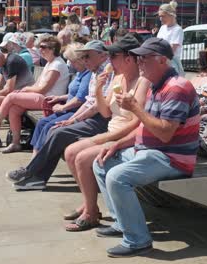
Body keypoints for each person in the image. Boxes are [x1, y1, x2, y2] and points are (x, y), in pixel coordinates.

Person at [92, 38, 200, 258]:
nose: (139, 63)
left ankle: (137, 241)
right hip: (152, 152)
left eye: (144, 58)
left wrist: (135, 108)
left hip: (172, 158)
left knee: (117, 177)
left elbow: (165, 132)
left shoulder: (177, 87)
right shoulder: (157, 85)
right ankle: (122, 224)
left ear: (162, 60)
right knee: (102, 162)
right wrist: (117, 145)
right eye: (138, 58)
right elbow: (146, 128)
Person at [63, 35, 151, 232]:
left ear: (128, 59)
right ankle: (89, 204)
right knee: (70, 152)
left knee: (82, 158)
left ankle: (91, 213)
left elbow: (137, 122)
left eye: (113, 56)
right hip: (112, 132)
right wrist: (99, 90)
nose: (109, 60)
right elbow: (105, 112)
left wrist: (106, 138)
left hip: (126, 137)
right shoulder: (118, 78)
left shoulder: (143, 82)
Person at [6, 40, 111, 190]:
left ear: (102, 56)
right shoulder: (96, 71)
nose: (84, 60)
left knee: (57, 132)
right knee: (55, 129)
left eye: (87, 56)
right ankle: (37, 178)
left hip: (101, 120)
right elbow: (89, 102)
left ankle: (31, 172)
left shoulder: (104, 73)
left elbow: (95, 106)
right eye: (83, 57)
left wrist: (73, 119)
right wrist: (72, 119)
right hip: (89, 116)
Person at [0, 36, 69, 153]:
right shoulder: (50, 64)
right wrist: (26, 90)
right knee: (14, 108)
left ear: (53, 49)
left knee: (11, 96)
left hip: (50, 100)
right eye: (40, 47)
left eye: (43, 47)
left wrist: (26, 89)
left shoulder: (57, 65)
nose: (40, 50)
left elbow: (43, 89)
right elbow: (38, 85)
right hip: (42, 97)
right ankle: (16, 143)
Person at [30, 42, 91, 154]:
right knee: (41, 123)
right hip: (69, 109)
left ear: (80, 60)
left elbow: (80, 99)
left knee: (49, 126)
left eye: (72, 61)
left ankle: (40, 159)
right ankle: (35, 157)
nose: (71, 64)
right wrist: (59, 97)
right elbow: (74, 94)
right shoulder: (79, 73)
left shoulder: (87, 75)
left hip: (76, 112)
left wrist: (62, 107)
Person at [157, 1, 184, 76]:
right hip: (161, 61)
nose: (161, 19)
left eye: (163, 16)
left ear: (171, 15)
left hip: (172, 64)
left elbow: (172, 49)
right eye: (160, 16)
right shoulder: (162, 28)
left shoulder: (177, 29)